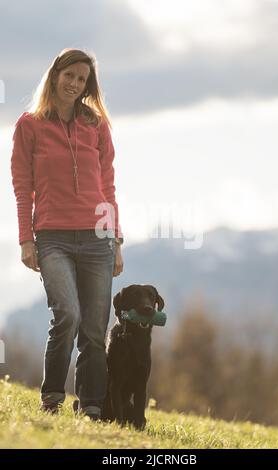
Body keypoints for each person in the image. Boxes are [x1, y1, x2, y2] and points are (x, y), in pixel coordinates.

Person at [10, 48, 124, 420]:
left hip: (97, 240)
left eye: (82, 79)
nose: (75, 84)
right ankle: (52, 398)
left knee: (94, 328)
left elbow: (108, 187)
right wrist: (26, 239)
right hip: (52, 238)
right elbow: (22, 187)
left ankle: (91, 406)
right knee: (67, 315)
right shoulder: (30, 125)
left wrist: (116, 240)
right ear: (55, 74)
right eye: (69, 75)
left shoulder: (97, 126)